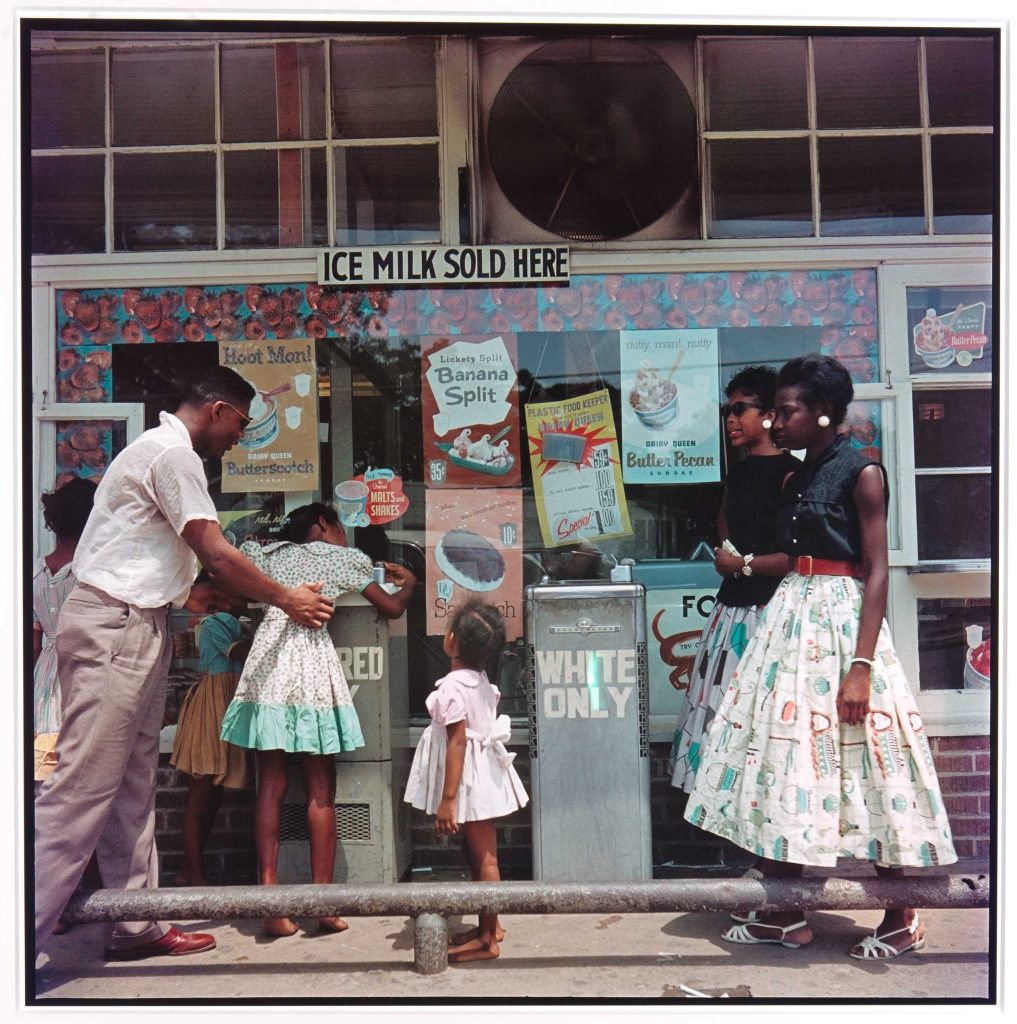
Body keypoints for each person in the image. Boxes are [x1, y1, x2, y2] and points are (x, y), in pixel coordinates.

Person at [34, 365, 335, 962]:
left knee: (131, 786)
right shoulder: (173, 456)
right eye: (241, 426)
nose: (238, 440)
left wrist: (208, 594)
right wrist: (286, 596)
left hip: (134, 623)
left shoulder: (158, 452)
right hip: (116, 625)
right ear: (218, 410)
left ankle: (134, 922)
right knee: (82, 789)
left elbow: (185, 566)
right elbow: (215, 551)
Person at [684, 353, 957, 960]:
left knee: (869, 760)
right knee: (784, 759)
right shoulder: (797, 476)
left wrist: (860, 666)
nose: (778, 422)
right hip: (791, 617)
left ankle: (901, 915)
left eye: (789, 411)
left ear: (825, 413)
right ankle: (786, 910)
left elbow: (878, 569)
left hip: (840, 626)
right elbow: (781, 549)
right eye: (775, 412)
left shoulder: (862, 473)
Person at [219, 501, 416, 938]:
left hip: (267, 665)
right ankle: (323, 905)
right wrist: (411, 584)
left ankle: (271, 904)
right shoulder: (346, 560)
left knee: (270, 784)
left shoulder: (269, 556)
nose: (345, 535)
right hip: (308, 666)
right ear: (323, 524)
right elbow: (391, 608)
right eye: (341, 526)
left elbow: (229, 566)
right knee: (320, 788)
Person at [670, 366, 798, 796]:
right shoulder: (739, 473)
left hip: (771, 613)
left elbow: (800, 555)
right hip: (730, 614)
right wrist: (730, 551)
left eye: (740, 409)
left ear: (769, 415)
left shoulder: (791, 475)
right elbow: (726, 521)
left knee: (764, 720)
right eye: (728, 410)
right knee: (723, 718)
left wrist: (740, 563)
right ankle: (729, 815)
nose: (730, 419)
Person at [404, 599, 528, 963]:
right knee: (478, 855)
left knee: (485, 858)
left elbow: (457, 742)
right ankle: (490, 925)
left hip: (469, 783)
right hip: (482, 776)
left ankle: (489, 940)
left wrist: (448, 800)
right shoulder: (480, 681)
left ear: (452, 641)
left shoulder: (452, 688)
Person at [169, 584, 253, 887]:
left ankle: (186, 869)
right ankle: (196, 876)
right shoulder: (211, 624)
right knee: (200, 796)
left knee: (212, 797)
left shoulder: (237, 624)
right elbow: (242, 653)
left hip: (227, 707)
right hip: (210, 711)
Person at [32, 476, 97, 782]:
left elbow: (30, 644)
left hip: (44, 679)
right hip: (86, 674)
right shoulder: (93, 574)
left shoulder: (33, 573)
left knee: (44, 777)